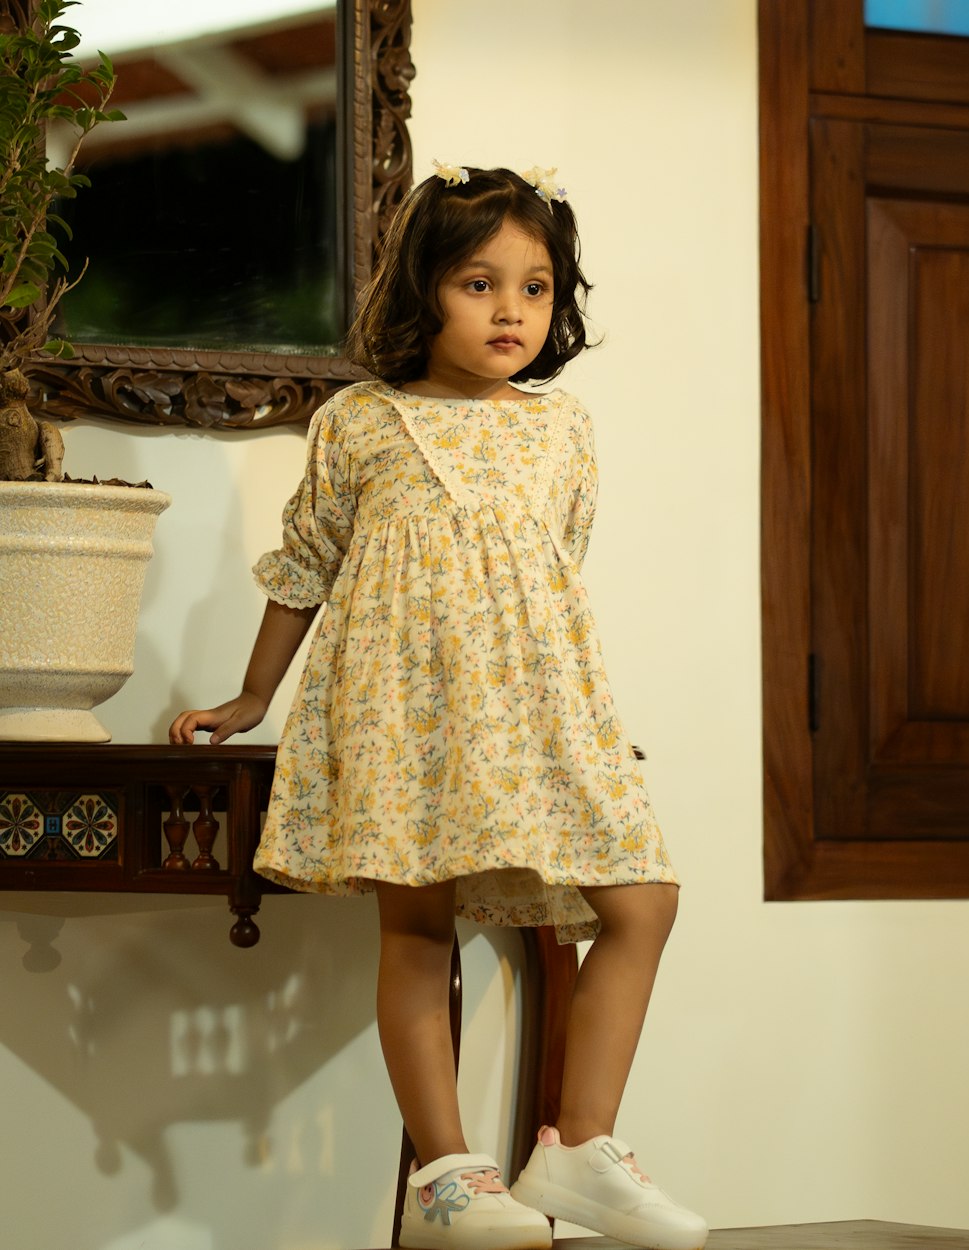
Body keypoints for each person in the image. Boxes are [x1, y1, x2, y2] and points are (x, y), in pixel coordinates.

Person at [169, 163, 707, 1250]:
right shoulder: (361, 423)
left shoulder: (563, 429)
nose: (511, 310)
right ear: (423, 287)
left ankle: (580, 1147)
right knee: (418, 925)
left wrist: (570, 725)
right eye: (478, 283)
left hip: (534, 711)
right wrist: (253, 692)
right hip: (400, 711)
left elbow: (549, 583)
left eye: (536, 287)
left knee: (641, 899)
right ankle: (450, 1176)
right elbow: (307, 565)